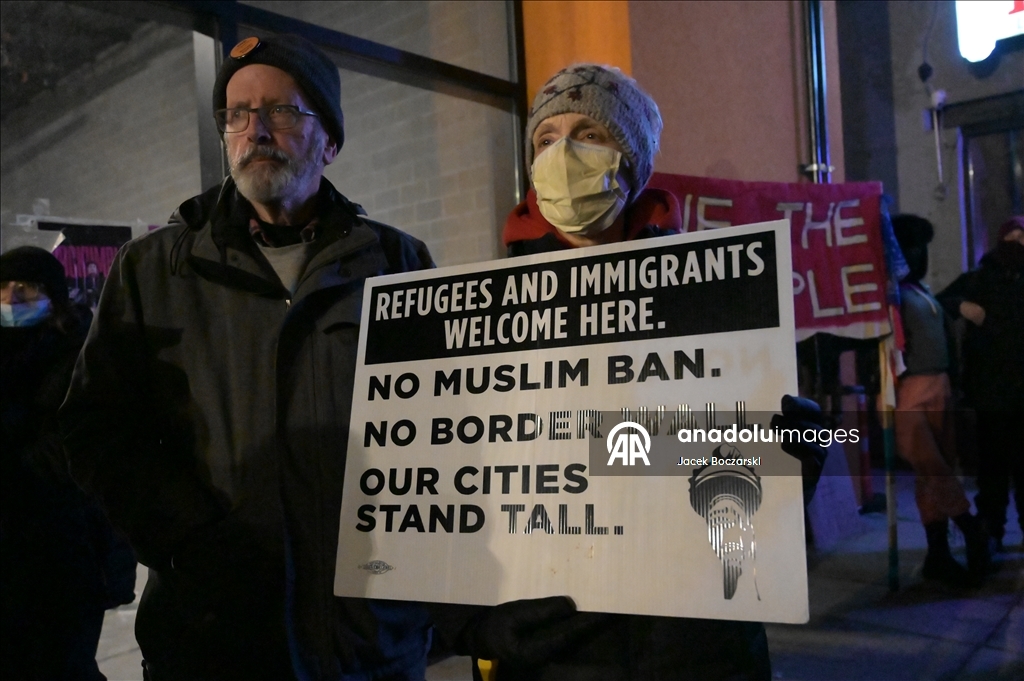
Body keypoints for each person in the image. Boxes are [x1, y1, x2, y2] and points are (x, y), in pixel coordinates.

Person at [430, 64, 826, 681]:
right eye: (545, 138)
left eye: (589, 133)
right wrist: (473, 622)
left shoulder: (720, 303)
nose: (563, 152)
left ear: (631, 160)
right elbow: (433, 486)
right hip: (554, 659)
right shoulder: (479, 317)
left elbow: (730, 493)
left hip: (695, 651)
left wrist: (786, 467)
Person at [59, 35, 434, 680]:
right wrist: (190, 542)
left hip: (370, 643)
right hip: (212, 640)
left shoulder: (399, 265)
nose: (255, 130)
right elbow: (97, 431)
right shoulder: (154, 271)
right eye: (237, 113)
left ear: (331, 141)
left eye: (281, 112)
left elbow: (448, 430)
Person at [1, 246, 136, 681]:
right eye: (2, 287)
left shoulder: (81, 358)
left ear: (54, 296)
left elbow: (71, 456)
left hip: (67, 557)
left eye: (27, 287)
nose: (12, 297)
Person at [890, 214, 990, 584]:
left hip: (940, 387)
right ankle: (969, 523)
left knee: (933, 472)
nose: (920, 254)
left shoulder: (920, 291)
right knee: (932, 465)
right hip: (912, 389)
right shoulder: (893, 295)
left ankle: (938, 553)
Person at [939, 216, 1024, 551]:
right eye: (1012, 236)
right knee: (992, 467)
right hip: (990, 393)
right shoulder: (978, 279)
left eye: (1023, 237)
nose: (1017, 242)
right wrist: (962, 305)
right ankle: (992, 528)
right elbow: (940, 301)